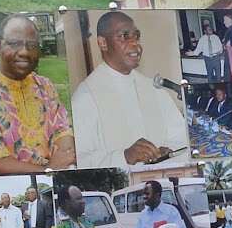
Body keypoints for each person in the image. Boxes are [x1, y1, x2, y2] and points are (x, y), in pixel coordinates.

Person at [0, 14, 76, 174]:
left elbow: (63, 130)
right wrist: (46, 170)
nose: (25, 52)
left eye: (32, 45)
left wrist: (66, 160)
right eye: (15, 44)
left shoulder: (44, 85)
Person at [69, 11, 188, 167]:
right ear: (102, 43)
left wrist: (169, 151)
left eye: (137, 36)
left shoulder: (154, 89)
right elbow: (78, 161)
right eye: (124, 36)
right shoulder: (85, 98)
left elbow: (182, 137)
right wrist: (124, 157)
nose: (136, 44)